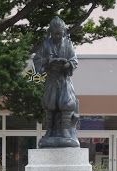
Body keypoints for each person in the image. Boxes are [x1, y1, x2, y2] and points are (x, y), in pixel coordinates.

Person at [34, 16, 80, 148]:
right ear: (51, 32)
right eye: (55, 33)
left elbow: (74, 60)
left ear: (64, 32)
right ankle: (50, 131)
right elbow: (37, 60)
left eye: (60, 33)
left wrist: (66, 64)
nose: (58, 36)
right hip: (51, 79)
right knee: (50, 104)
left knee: (66, 103)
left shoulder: (68, 44)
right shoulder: (45, 44)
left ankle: (66, 131)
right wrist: (47, 62)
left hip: (64, 79)